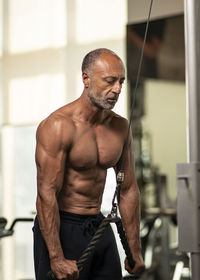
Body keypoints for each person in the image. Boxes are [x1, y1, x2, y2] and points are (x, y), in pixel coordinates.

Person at [33, 48, 145, 280]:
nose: (117, 89)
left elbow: (128, 189)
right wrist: (56, 257)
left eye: (121, 82)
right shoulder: (58, 126)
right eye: (109, 81)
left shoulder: (120, 127)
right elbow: (46, 193)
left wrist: (134, 248)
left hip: (98, 224)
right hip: (62, 227)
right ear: (86, 78)